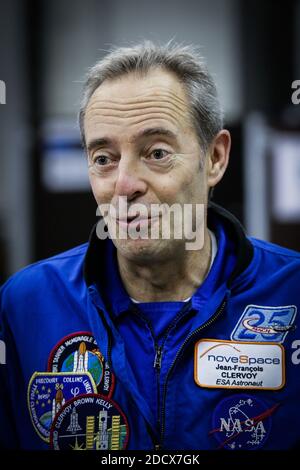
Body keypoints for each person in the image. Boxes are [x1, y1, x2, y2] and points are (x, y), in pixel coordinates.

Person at [1, 40, 300, 451]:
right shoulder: (25, 305)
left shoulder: (292, 291)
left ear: (214, 157)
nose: (124, 184)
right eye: (104, 158)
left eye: (156, 152)